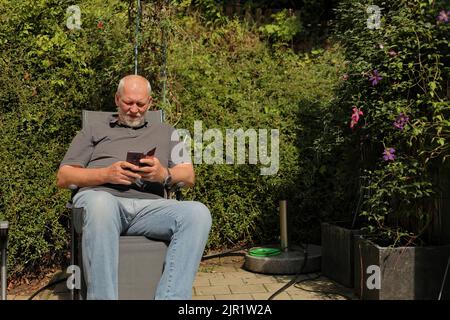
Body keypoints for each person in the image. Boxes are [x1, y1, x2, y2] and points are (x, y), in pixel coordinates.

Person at [57, 75, 212, 300]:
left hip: (150, 210)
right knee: (101, 204)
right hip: (102, 202)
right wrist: (105, 174)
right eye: (128, 102)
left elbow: (188, 176)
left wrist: (163, 175)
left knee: (198, 213)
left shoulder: (167, 132)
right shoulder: (93, 129)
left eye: (140, 104)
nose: (134, 109)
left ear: (149, 103)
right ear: (117, 99)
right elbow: (63, 176)